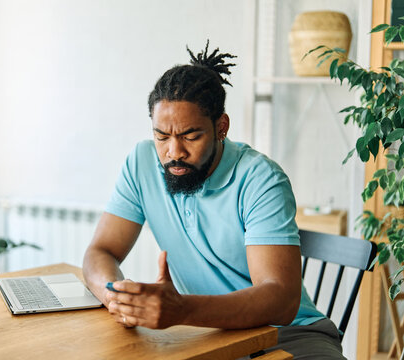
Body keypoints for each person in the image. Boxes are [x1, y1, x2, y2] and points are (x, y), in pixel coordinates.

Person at [82, 41, 345, 359]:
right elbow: (101, 251)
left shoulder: (260, 179)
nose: (173, 152)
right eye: (162, 136)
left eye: (191, 136)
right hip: (208, 336)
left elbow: (282, 301)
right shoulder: (140, 163)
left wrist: (181, 310)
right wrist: (115, 296)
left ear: (221, 127)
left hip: (289, 336)